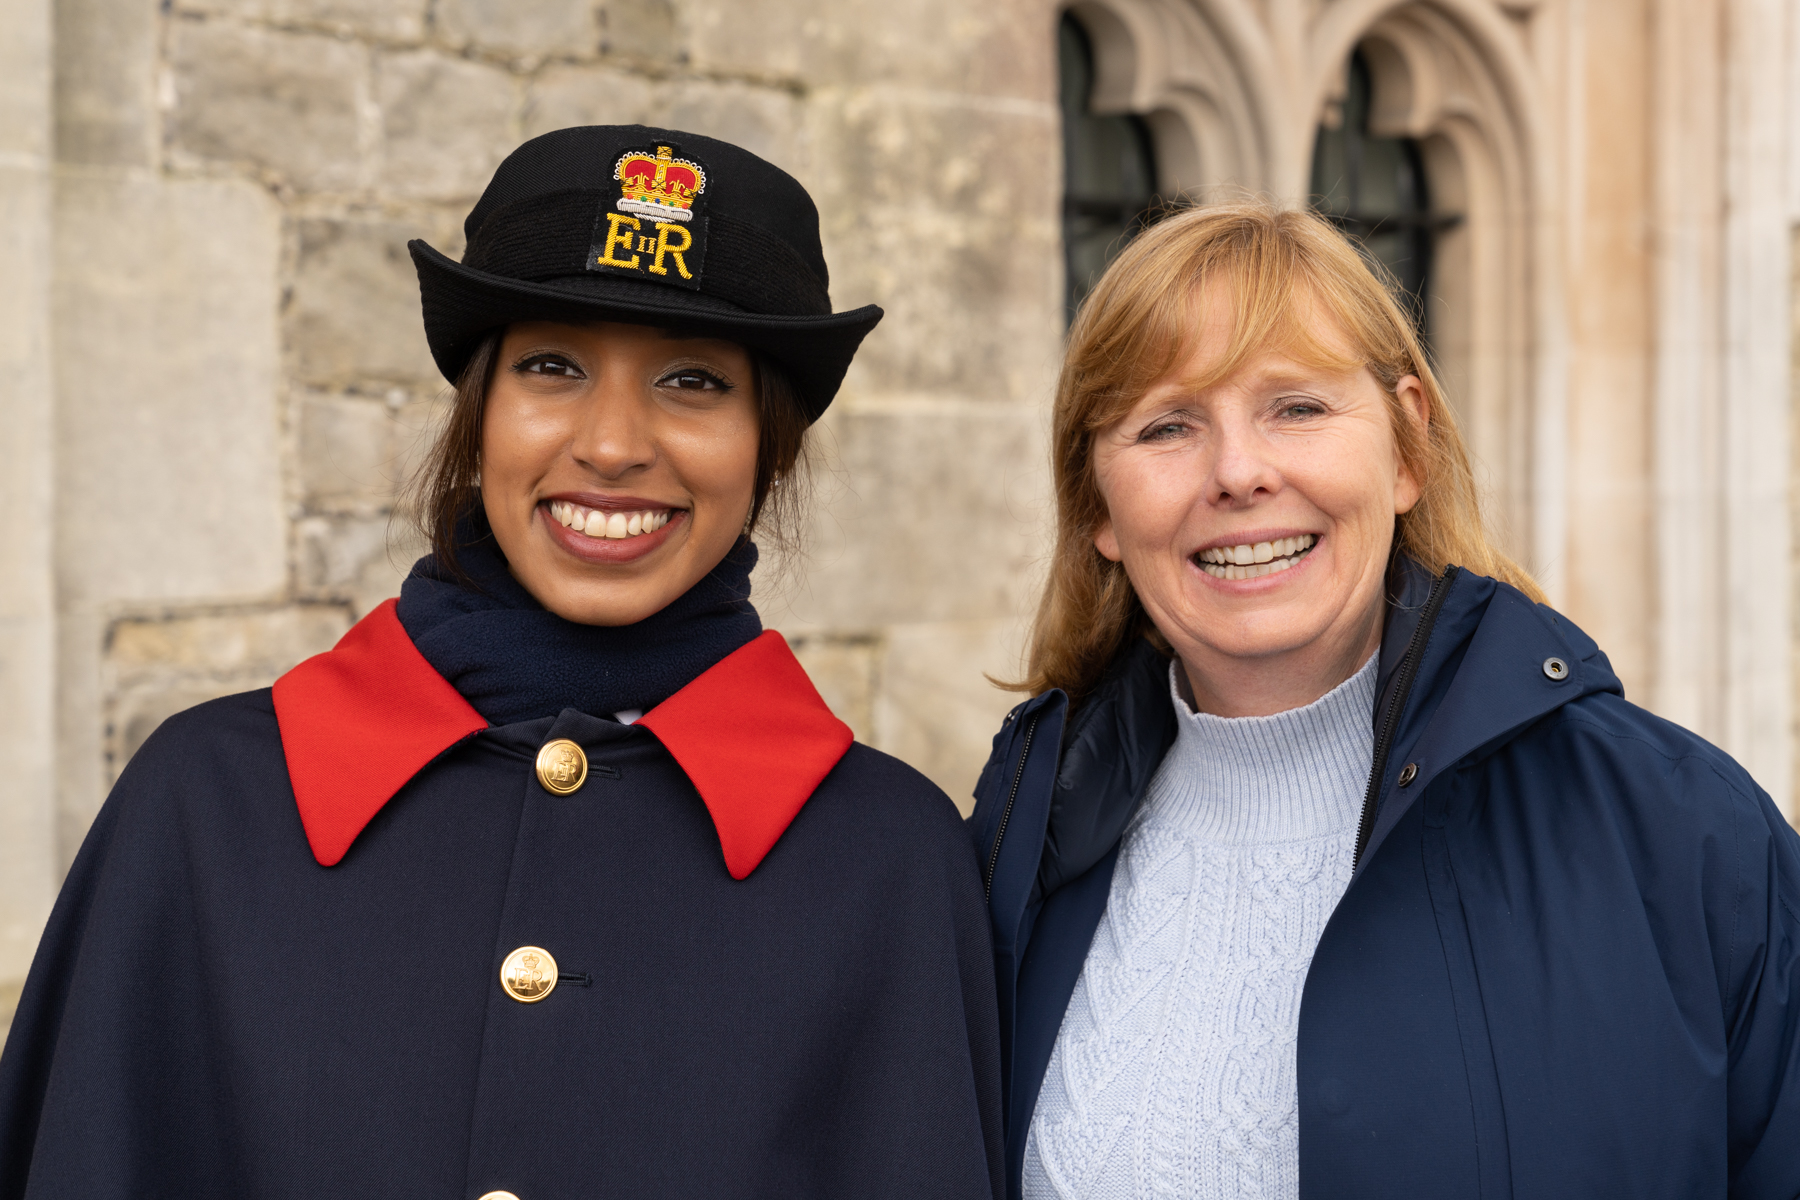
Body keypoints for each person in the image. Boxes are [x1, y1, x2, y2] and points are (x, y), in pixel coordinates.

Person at [0, 126, 1003, 1200]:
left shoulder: (891, 860)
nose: (614, 444)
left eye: (693, 381)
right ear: (480, 421)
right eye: (552, 367)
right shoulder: (201, 808)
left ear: (768, 449)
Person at [971, 202, 1800, 1199]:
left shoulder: (1685, 837)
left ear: (1407, 448)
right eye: (1168, 426)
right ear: (1100, 508)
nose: (1238, 472)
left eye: (1298, 408)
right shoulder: (1020, 842)